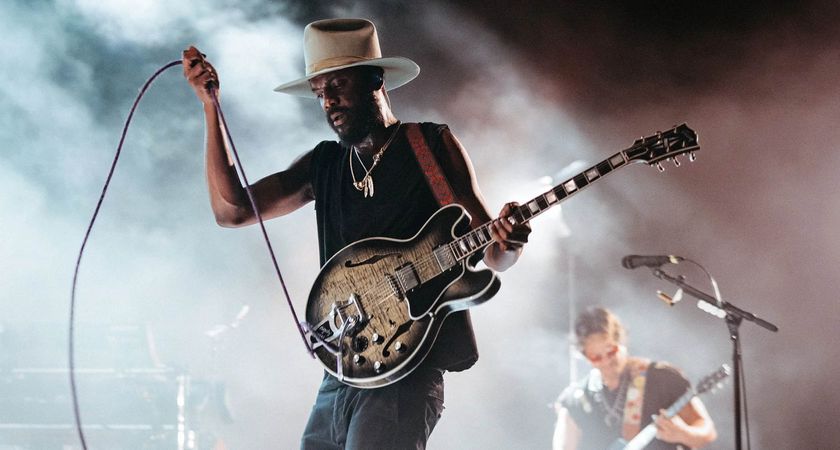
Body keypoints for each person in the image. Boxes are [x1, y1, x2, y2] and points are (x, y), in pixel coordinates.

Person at [182, 18, 531, 449]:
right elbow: (231, 210)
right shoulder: (324, 164)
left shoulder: (430, 144)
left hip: (407, 371)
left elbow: (491, 254)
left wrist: (509, 244)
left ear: (376, 79)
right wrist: (209, 106)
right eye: (320, 92)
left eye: (339, 85)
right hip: (344, 370)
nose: (329, 101)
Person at [553, 307, 717, 450]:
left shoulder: (661, 378)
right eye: (596, 357)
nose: (606, 361)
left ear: (621, 341)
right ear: (585, 357)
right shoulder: (577, 397)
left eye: (611, 351)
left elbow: (707, 431)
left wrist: (683, 434)